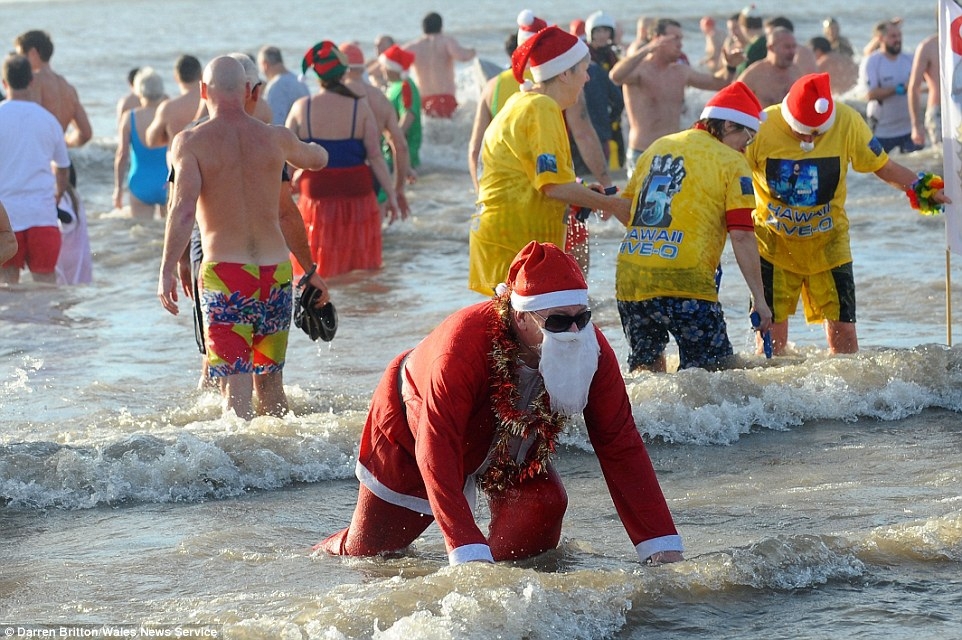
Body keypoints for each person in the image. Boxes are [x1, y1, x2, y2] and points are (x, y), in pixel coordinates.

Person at [317, 240, 685, 566]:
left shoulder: (590, 346)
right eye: (557, 322)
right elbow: (436, 445)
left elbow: (620, 441)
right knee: (371, 553)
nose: (573, 333)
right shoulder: (461, 345)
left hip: (509, 444)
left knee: (542, 509)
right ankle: (321, 554)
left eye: (582, 318)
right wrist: (464, 548)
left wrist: (659, 543)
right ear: (521, 315)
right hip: (412, 425)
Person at [157, 55, 328, 420]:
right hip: (276, 274)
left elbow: (183, 209)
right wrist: (321, 150)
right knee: (271, 384)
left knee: (236, 389)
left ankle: (243, 473)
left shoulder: (190, 142)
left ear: (204, 91)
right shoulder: (275, 138)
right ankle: (283, 469)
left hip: (228, 275)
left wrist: (167, 268)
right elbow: (313, 162)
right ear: (250, 90)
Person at [745, 73, 950, 355]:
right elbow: (730, 177)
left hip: (830, 245)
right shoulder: (760, 127)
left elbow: (883, 166)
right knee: (771, 347)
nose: (808, 138)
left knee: (846, 343)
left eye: (816, 134)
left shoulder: (848, 121)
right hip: (773, 246)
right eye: (801, 132)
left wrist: (921, 188)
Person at [614, 82, 772, 372]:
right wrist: (760, 300)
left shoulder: (658, 147)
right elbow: (741, 234)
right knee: (717, 375)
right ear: (727, 125)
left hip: (632, 280)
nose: (745, 148)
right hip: (686, 283)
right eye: (746, 139)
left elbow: (628, 212)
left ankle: (654, 420)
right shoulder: (732, 162)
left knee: (647, 371)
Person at [469, 26, 629, 296]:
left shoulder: (524, 101)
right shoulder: (542, 108)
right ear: (565, 73)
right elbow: (552, 187)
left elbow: (538, 180)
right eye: (584, 69)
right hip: (512, 247)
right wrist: (612, 204)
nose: (588, 78)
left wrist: (584, 195)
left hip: (502, 242)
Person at [286, 41, 399, 278]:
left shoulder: (301, 107)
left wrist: (292, 179)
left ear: (317, 75)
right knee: (360, 266)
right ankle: (358, 304)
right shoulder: (360, 107)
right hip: (357, 192)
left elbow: (283, 156)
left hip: (316, 194)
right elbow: (375, 156)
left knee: (319, 263)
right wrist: (392, 195)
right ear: (343, 72)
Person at [609, 18, 734, 178]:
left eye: (681, 38)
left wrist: (730, 66)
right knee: (640, 202)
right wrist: (647, 48)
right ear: (657, 39)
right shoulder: (639, 71)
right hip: (643, 151)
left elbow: (719, 83)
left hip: (674, 151)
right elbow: (615, 76)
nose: (680, 44)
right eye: (675, 38)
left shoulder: (681, 71)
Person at [0, 54, 71, 285]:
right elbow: (63, 169)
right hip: (42, 215)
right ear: (31, 81)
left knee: (6, 284)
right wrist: (57, 195)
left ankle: (14, 323)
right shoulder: (48, 120)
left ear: (4, 83)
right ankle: (43, 323)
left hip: (5, 220)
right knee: (46, 284)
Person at [339, 41, 412, 219]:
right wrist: (398, 188)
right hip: (373, 174)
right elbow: (400, 146)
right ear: (363, 68)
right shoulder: (380, 97)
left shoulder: (331, 98)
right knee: (374, 238)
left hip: (337, 176)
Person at [13, 30, 92, 149]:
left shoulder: (33, 82)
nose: (19, 61)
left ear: (33, 53)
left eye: (20, 56)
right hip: (60, 159)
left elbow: (30, 123)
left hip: (38, 157)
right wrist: (65, 144)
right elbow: (86, 133)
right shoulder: (68, 87)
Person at [113, 67, 169, 219]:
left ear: (139, 91)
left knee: (141, 234)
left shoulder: (129, 118)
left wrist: (118, 189)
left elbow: (122, 155)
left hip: (140, 183)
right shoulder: (170, 115)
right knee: (166, 233)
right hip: (167, 181)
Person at [858, 20, 918, 154]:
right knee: (874, 172)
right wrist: (899, 89)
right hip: (882, 131)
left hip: (908, 129)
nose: (898, 40)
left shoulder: (910, 59)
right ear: (880, 38)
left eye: (899, 35)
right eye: (893, 36)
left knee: (915, 170)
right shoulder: (872, 62)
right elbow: (869, 94)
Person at [402, 12, 476, 118]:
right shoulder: (446, 41)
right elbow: (462, 56)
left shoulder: (414, 47)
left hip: (423, 100)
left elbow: (394, 61)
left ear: (423, 27)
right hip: (445, 98)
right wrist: (473, 51)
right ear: (441, 26)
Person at [379, 45, 422, 172]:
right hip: (391, 150)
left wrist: (393, 139)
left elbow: (409, 115)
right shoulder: (394, 86)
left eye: (384, 65)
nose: (382, 69)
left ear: (392, 68)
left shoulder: (405, 86)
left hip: (402, 151)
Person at [145, 54, 203, 149]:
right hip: (209, 160)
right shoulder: (212, 101)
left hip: (179, 160)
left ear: (176, 77)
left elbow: (151, 140)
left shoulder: (169, 108)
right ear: (201, 74)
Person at [737, 27, 803, 108]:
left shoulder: (796, 72)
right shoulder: (754, 74)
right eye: (787, 47)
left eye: (794, 47)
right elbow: (734, 100)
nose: (792, 51)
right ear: (771, 48)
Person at [257, 45, 310, 126]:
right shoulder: (299, 81)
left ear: (265, 65)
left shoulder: (276, 86)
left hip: (289, 136)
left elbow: (276, 124)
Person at [55, 177, 93, 285]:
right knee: (76, 288)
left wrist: (50, 208)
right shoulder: (74, 194)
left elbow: (69, 219)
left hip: (66, 252)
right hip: (80, 251)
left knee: (64, 290)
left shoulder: (60, 195)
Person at [909, 32, 940, 149]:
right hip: (939, 110)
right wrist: (916, 125)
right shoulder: (928, 47)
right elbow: (914, 87)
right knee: (943, 158)